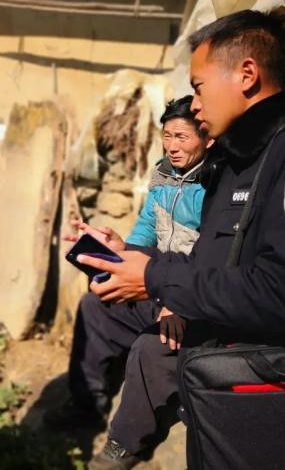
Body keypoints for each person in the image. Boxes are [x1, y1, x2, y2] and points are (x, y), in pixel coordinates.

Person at [79, 10, 285, 469]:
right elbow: (213, 265)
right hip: (223, 381)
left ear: (247, 74)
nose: (193, 104)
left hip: (270, 397)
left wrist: (157, 277)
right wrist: (130, 257)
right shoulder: (238, 162)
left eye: (198, 87)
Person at [46, 97, 213, 469]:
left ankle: (125, 445)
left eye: (182, 137)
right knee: (96, 306)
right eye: (167, 136)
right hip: (159, 285)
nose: (172, 145)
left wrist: (179, 301)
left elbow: (212, 259)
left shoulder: (216, 184)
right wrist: (118, 248)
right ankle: (88, 403)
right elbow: (145, 235)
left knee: (151, 346)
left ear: (207, 138)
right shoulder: (162, 177)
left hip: (195, 297)